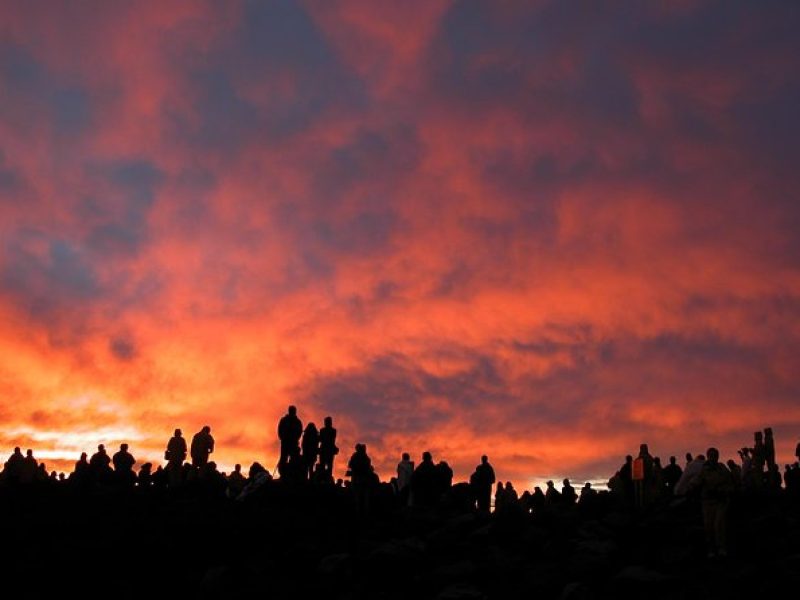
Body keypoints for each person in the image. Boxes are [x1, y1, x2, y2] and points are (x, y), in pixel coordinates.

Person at [689, 448, 734, 558]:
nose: (713, 457)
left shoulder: (722, 468)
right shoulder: (704, 469)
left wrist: (723, 491)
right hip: (708, 502)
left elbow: (730, 483)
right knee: (708, 526)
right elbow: (697, 480)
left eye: (715, 455)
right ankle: (711, 549)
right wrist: (691, 486)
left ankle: (721, 548)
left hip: (720, 501)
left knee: (719, 524)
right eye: (711, 455)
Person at [277, 406, 303, 472]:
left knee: (293, 459)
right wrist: (282, 438)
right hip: (286, 443)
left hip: (292, 443)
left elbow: (299, 432)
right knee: (284, 459)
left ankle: (291, 474)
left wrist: (295, 438)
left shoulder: (297, 421)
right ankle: (283, 473)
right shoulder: (285, 420)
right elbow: (280, 430)